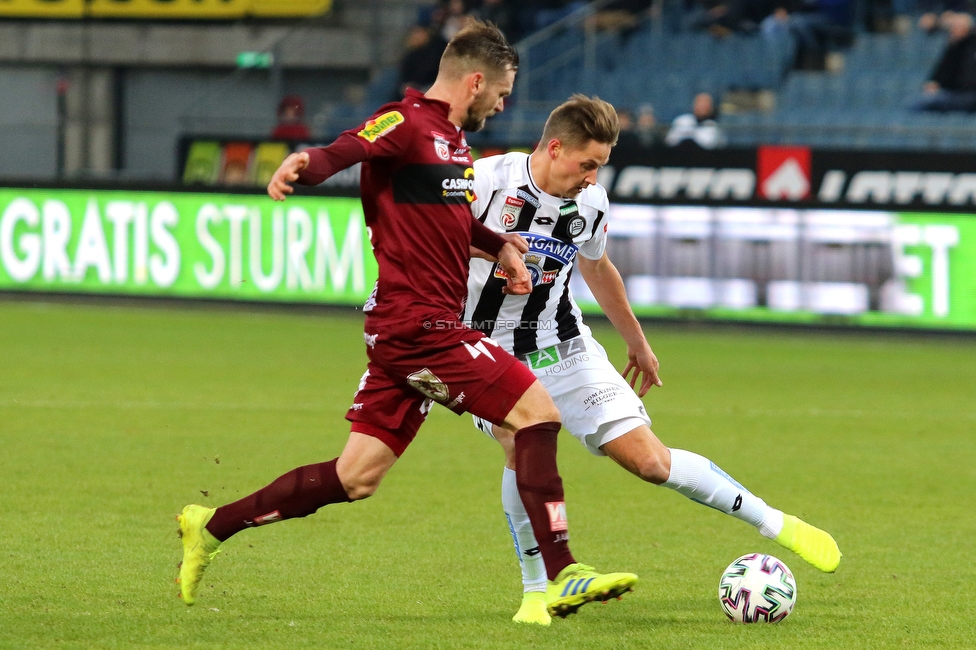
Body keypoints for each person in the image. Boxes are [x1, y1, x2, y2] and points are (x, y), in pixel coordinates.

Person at [176, 21, 638, 619]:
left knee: (356, 476)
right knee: (537, 413)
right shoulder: (408, 122)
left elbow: (447, 222)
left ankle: (210, 526)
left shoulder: (451, 143)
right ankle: (562, 571)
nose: (502, 106)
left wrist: (495, 244)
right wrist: (306, 163)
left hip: (413, 328)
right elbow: (350, 147)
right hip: (419, 325)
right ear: (474, 82)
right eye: (500, 94)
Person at [464, 94, 842, 626]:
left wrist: (637, 342)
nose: (594, 177)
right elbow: (429, 240)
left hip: (566, 347)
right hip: (485, 352)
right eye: (588, 163)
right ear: (554, 147)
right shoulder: (482, 182)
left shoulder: (590, 202)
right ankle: (536, 590)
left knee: (650, 462)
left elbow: (597, 269)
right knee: (519, 439)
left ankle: (776, 523)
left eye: (602, 165)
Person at [911, 11, 976, 112]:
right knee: (919, 101)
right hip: (953, 94)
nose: (954, 30)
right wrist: (935, 83)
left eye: (958, 26)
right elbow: (943, 71)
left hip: (970, 95)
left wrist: (937, 22)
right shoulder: (952, 48)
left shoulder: (971, 46)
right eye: (953, 27)